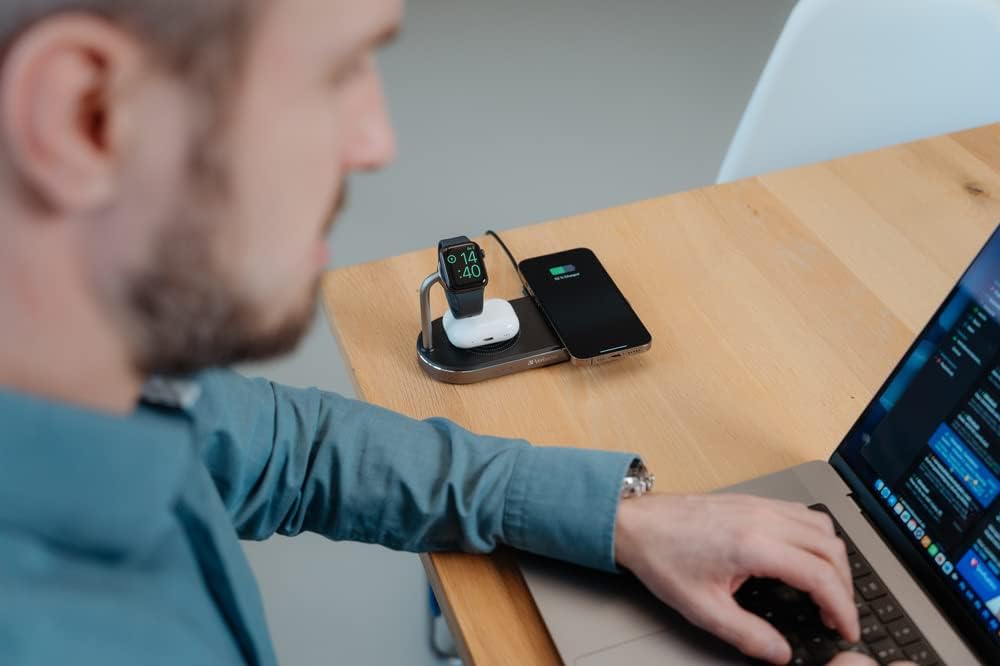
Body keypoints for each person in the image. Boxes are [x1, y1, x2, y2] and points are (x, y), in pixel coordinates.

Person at [0, 1, 883, 664]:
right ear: (85, 115)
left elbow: (287, 450)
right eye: (333, 73)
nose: (376, 142)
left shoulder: (104, 380)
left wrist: (618, 519)